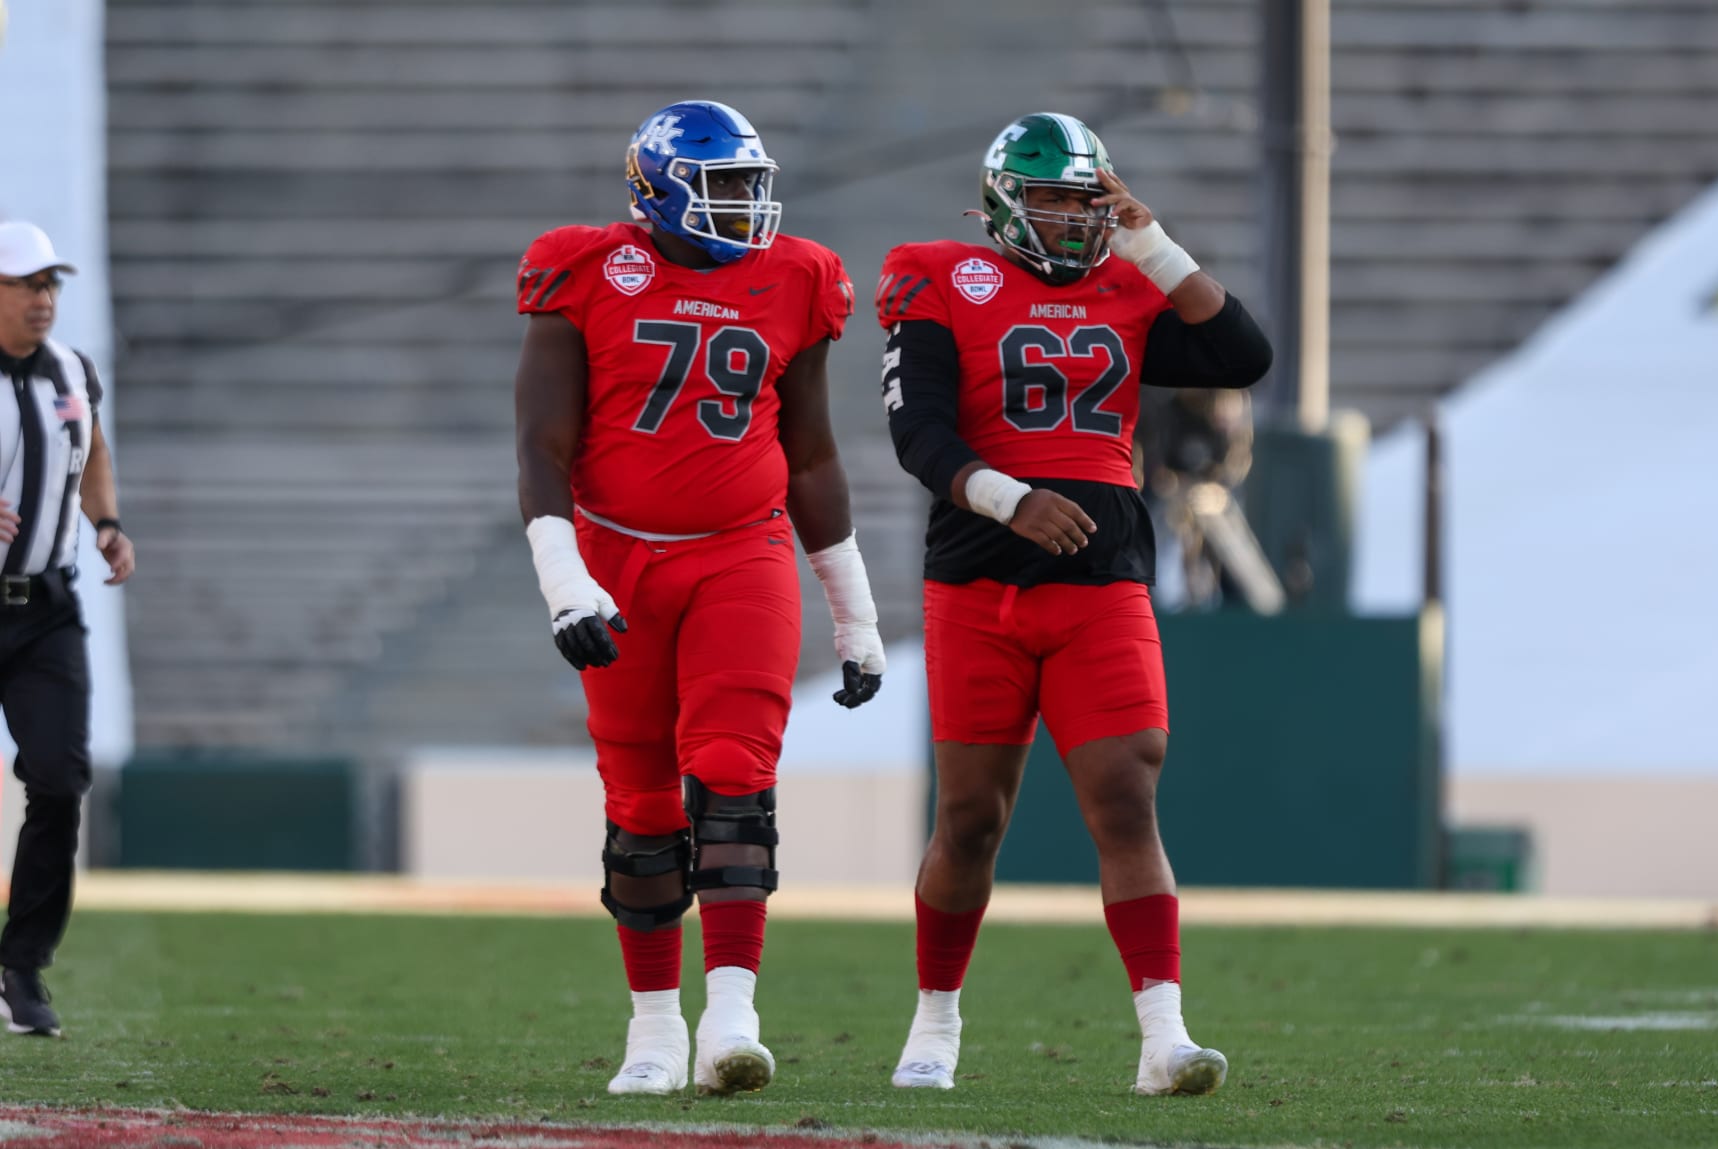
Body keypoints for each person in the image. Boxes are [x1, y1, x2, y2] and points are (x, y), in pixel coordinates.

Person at [877, 113, 1272, 1095]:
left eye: (1083, 198)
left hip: (1102, 581)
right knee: (970, 820)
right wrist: (1012, 498)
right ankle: (934, 1024)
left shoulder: (1127, 284)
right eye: (1051, 197)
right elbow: (918, 437)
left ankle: (1163, 1037)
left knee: (1127, 798)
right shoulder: (941, 277)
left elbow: (1241, 355)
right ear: (1008, 201)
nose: (1068, 217)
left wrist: (1149, 238)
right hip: (978, 577)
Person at [513, 101, 885, 1097]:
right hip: (615, 555)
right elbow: (543, 447)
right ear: (657, 191)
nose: (747, 209)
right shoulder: (586, 268)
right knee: (638, 809)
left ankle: (731, 1019)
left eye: (752, 187)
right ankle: (651, 1031)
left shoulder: (799, 276)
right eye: (723, 188)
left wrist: (855, 614)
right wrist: (564, 582)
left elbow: (810, 454)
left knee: (730, 776)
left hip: (740, 552)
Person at [0, 220, 135, 1037]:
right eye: (26, 284)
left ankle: (19, 966)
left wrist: (108, 522)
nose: (44, 299)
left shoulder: (71, 371)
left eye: (51, 284)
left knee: (58, 779)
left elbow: (92, 451)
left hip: (46, 608)